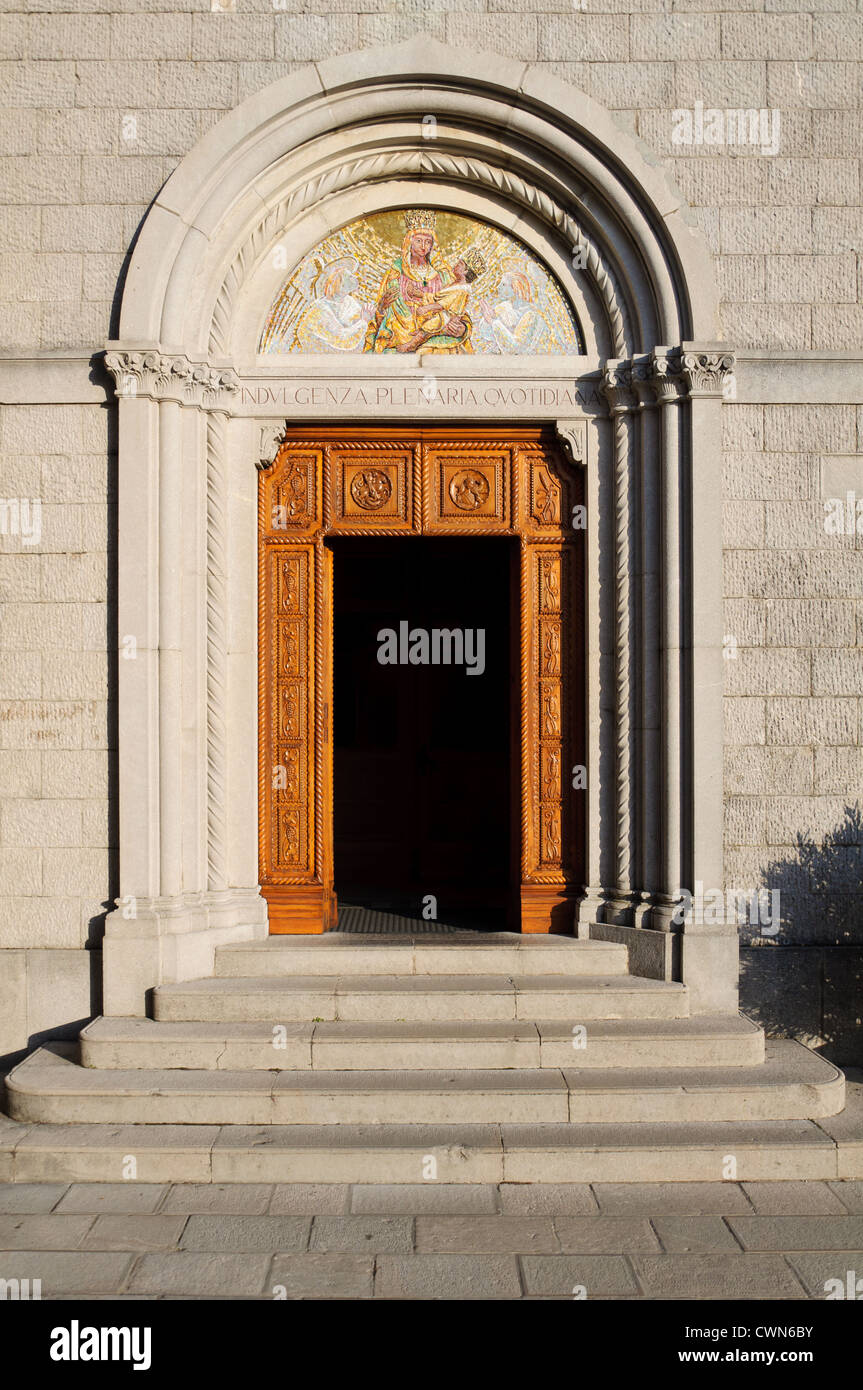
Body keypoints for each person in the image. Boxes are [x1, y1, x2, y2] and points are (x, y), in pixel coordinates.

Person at [364, 210, 474, 354]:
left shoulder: (444, 275)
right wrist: (381, 308)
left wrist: (463, 329)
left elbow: (458, 308)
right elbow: (381, 314)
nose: (423, 246)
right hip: (399, 339)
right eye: (419, 241)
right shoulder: (396, 274)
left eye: (428, 242)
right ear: (409, 242)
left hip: (439, 344)